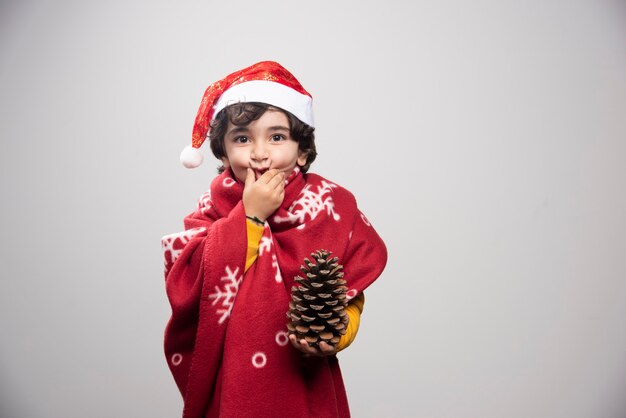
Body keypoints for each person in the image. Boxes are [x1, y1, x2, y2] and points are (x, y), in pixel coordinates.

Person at [161, 61, 387, 418]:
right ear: (222, 152)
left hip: (304, 384)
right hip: (233, 384)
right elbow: (191, 287)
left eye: (277, 137)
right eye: (242, 138)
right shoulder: (210, 212)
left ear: (301, 151)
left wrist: (336, 334)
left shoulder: (330, 207)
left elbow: (350, 291)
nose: (260, 152)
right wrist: (249, 217)